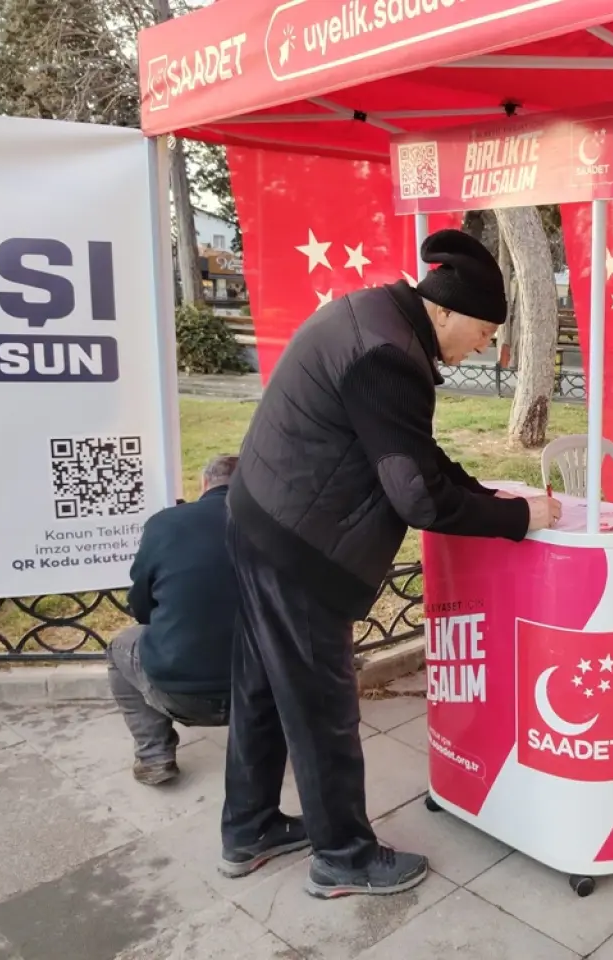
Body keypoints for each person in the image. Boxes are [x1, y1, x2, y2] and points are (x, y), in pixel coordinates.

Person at [222, 229, 561, 896]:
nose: (485, 348)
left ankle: (251, 827)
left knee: (262, 689)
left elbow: (411, 449)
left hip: (259, 519)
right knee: (321, 706)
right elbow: (418, 498)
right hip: (299, 549)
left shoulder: (375, 319)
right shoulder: (388, 356)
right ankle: (343, 857)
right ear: (446, 311)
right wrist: (522, 518)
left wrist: (482, 492)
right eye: (486, 332)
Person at [109, 454, 240, 787]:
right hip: (263, 691)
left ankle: (154, 757)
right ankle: (273, 747)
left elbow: (141, 605)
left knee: (119, 647)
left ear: (204, 484)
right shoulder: (276, 523)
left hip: (177, 691)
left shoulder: (165, 523)